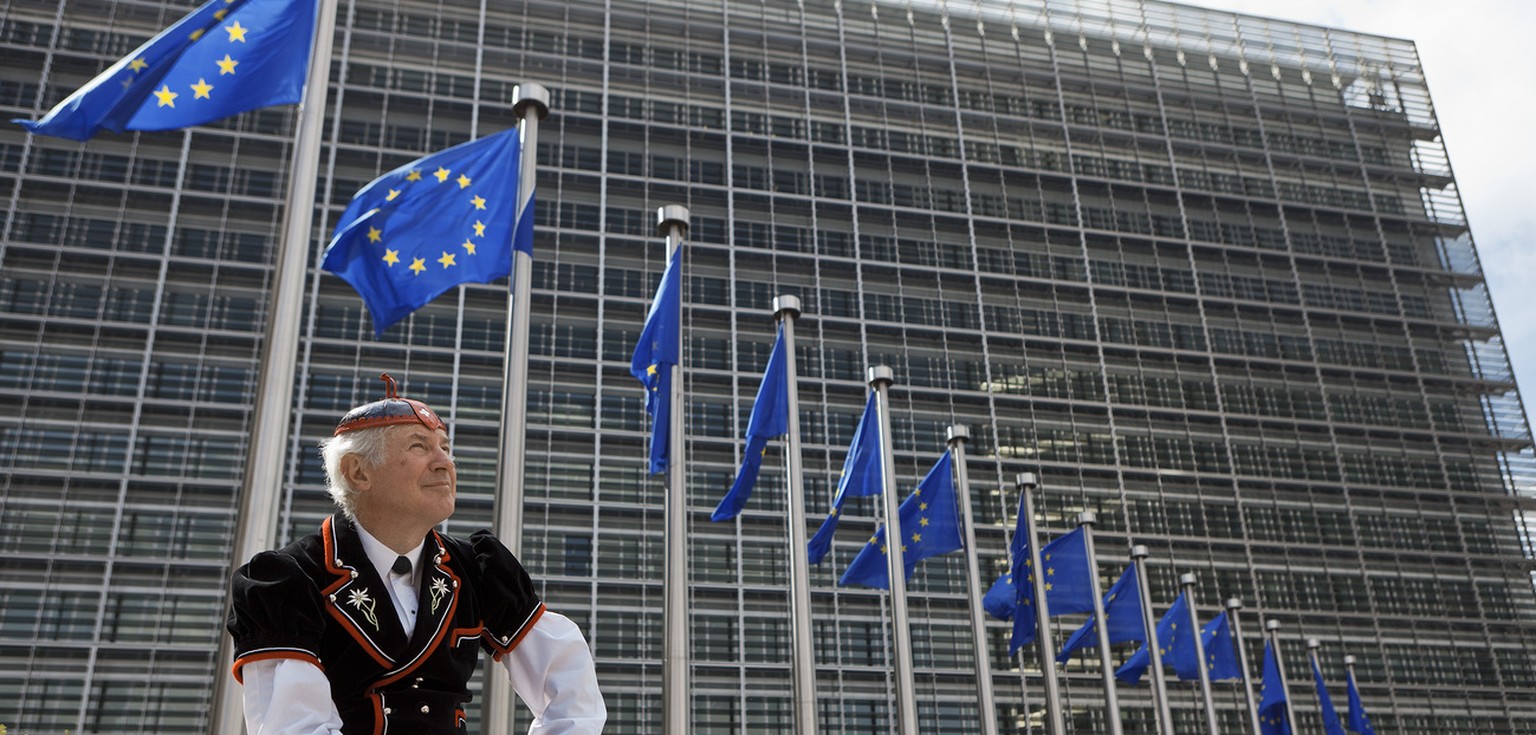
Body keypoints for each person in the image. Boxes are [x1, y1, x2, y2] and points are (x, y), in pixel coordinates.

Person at [226, 373, 605, 733]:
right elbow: (292, 728)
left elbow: (572, 688)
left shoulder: (477, 568)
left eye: (445, 447)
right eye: (418, 446)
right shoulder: (290, 579)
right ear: (358, 472)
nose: (444, 462)